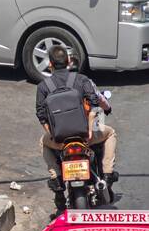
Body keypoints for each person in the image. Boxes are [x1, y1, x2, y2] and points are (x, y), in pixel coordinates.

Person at [36, 45, 117, 192]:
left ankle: (56, 178)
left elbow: (41, 115)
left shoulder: (43, 86)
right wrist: (90, 129)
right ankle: (107, 174)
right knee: (110, 133)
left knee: (43, 141)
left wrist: (54, 136)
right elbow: (94, 102)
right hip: (85, 136)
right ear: (68, 62)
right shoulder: (81, 79)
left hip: (60, 140)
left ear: (50, 64)